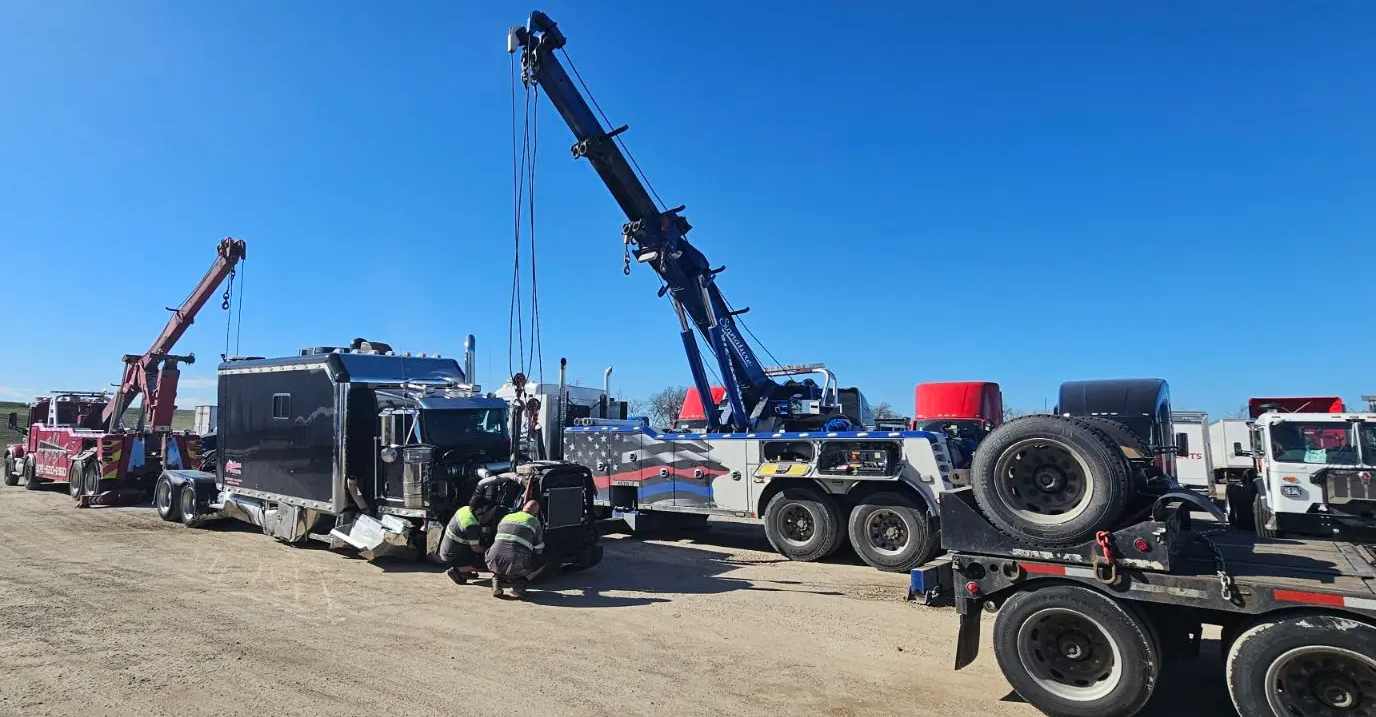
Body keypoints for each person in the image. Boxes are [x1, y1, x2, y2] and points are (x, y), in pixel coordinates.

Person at [486, 499, 546, 599]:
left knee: (499, 556)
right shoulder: (534, 521)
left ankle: (496, 583)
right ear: (535, 513)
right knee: (542, 561)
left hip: (493, 557)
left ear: (523, 508)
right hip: (515, 561)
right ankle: (519, 585)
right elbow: (539, 547)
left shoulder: (507, 517)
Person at [439, 495, 491, 586]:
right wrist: (490, 551)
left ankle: (465, 570)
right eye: (485, 508)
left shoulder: (465, 509)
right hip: (452, 555)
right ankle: (457, 570)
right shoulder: (471, 524)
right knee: (486, 562)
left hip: (448, 549)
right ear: (478, 509)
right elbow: (476, 548)